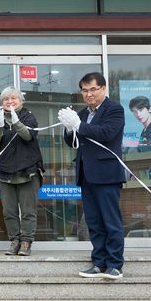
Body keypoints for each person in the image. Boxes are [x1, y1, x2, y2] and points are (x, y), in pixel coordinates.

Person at [59, 72, 126, 280]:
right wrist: (70, 129)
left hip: (107, 174)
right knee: (94, 222)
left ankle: (115, 264)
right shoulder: (81, 113)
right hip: (86, 174)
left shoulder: (114, 109)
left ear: (103, 89)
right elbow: (72, 142)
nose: (88, 94)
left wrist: (78, 125)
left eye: (93, 89)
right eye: (84, 90)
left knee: (110, 221)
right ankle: (98, 262)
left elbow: (106, 133)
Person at [0, 87, 43, 256]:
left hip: (28, 171)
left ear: (21, 101)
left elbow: (28, 136)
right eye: (5, 99)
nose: (9, 101)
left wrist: (16, 121)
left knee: (28, 211)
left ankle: (26, 241)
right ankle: (14, 240)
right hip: (5, 172)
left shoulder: (29, 116)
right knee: (9, 211)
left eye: (13, 98)